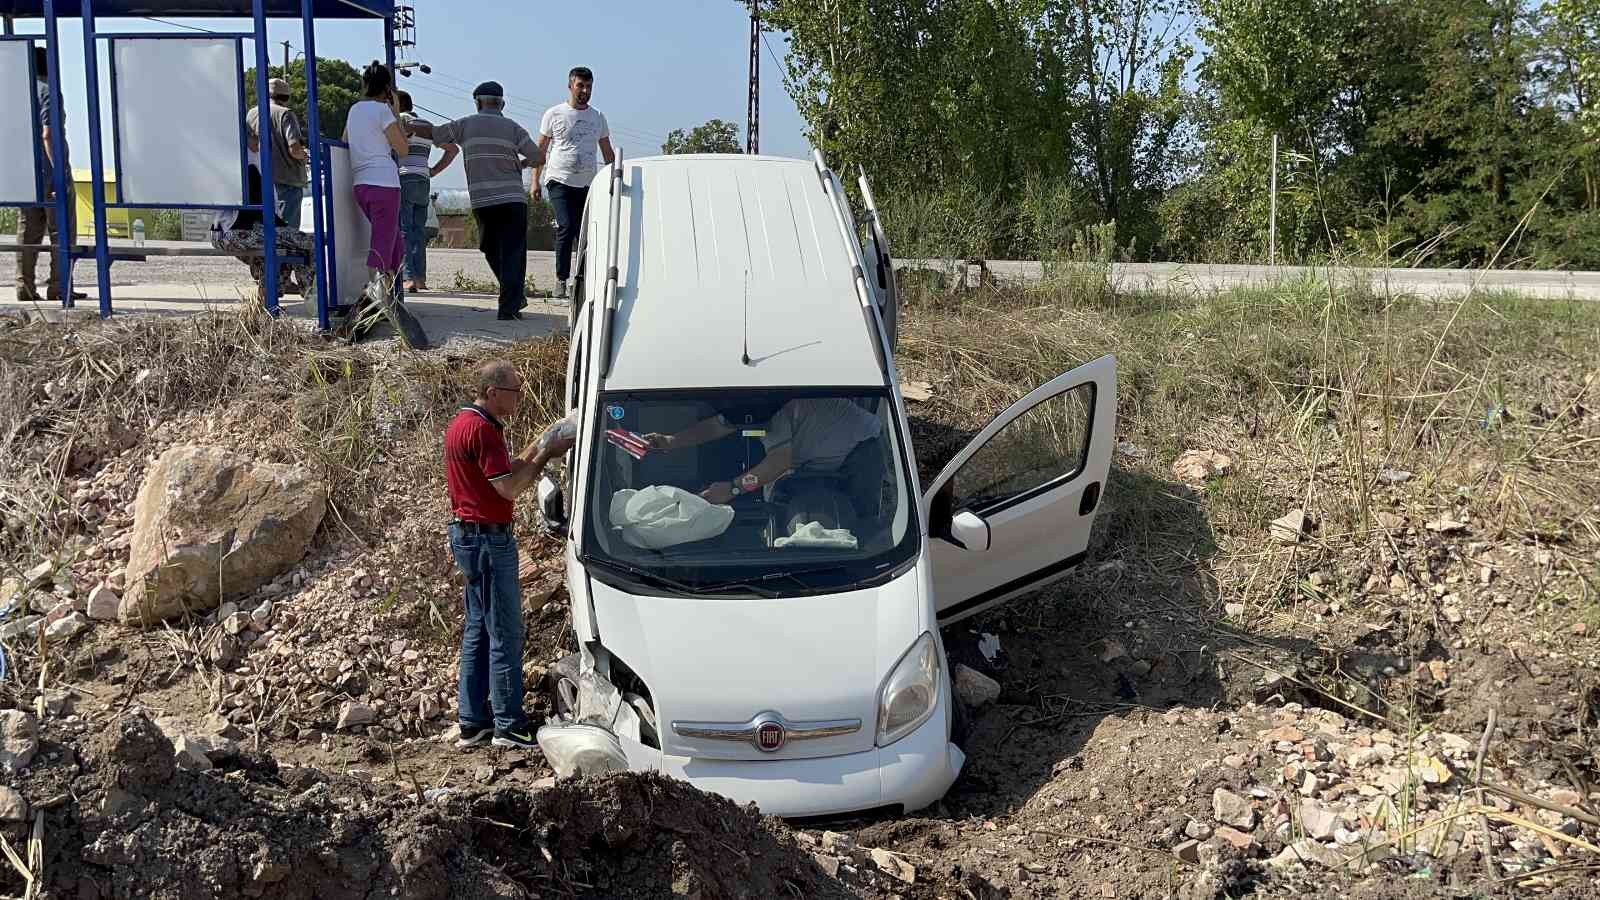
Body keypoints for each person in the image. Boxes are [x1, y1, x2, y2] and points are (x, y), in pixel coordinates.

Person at [445, 361, 573, 750]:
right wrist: (546, 455)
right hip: (487, 540)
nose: (520, 397)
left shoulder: (465, 424)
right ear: (493, 392)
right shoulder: (482, 430)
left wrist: (541, 444)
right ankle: (509, 725)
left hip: (470, 536)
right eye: (515, 391)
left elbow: (506, 470)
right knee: (504, 631)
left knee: (479, 630)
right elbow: (511, 488)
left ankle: (473, 722)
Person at [406, 83, 543, 321]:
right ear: (502, 104)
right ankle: (512, 300)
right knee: (513, 251)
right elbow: (538, 157)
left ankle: (510, 300)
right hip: (513, 199)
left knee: (489, 248)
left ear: (477, 102)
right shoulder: (514, 128)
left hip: (483, 202)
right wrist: (520, 164)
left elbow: (435, 133)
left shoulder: (465, 125)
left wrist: (407, 125)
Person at [646, 397, 883, 505]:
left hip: (862, 451)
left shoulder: (774, 412)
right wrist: (671, 441)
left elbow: (778, 463)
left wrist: (733, 488)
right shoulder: (749, 402)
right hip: (824, 451)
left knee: (864, 519)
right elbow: (717, 426)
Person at [534, 66, 615, 303]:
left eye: (589, 86)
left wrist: (617, 178)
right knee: (566, 226)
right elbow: (541, 150)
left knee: (585, 234)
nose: (585, 91)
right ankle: (561, 280)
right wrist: (535, 182)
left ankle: (582, 281)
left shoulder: (598, 117)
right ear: (570, 85)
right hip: (559, 180)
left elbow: (607, 152)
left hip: (588, 184)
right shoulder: (554, 114)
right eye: (580, 85)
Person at [16, 47, 78, 305]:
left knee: (28, 232)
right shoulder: (48, 91)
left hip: (23, 173)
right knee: (62, 231)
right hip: (49, 173)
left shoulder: (17, 92)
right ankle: (60, 286)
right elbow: (48, 134)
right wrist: (59, 172)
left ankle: (24, 286)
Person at [343, 61, 409, 301]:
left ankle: (387, 289)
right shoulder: (382, 111)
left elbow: (345, 140)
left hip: (361, 183)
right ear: (387, 90)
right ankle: (376, 292)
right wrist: (396, 113)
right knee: (384, 238)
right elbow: (402, 149)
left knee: (394, 239)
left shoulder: (354, 110)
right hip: (384, 183)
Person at [208, 164, 317, 308]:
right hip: (235, 230)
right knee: (308, 242)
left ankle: (267, 303)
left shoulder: (251, 165)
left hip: (228, 231)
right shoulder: (250, 167)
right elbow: (257, 210)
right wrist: (283, 228)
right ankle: (312, 299)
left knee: (286, 248)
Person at [394, 90, 458, 293]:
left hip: (404, 177)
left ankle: (408, 277)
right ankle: (420, 278)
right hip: (423, 180)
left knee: (403, 229)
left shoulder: (400, 121)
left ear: (397, 104)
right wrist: (433, 170)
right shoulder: (427, 126)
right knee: (418, 232)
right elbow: (453, 149)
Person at [245, 77, 309, 231]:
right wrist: (304, 155)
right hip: (288, 180)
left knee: (266, 228)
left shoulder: (252, 113)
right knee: (287, 231)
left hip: (262, 179)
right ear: (286, 97)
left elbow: (252, 145)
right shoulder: (285, 114)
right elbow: (294, 148)